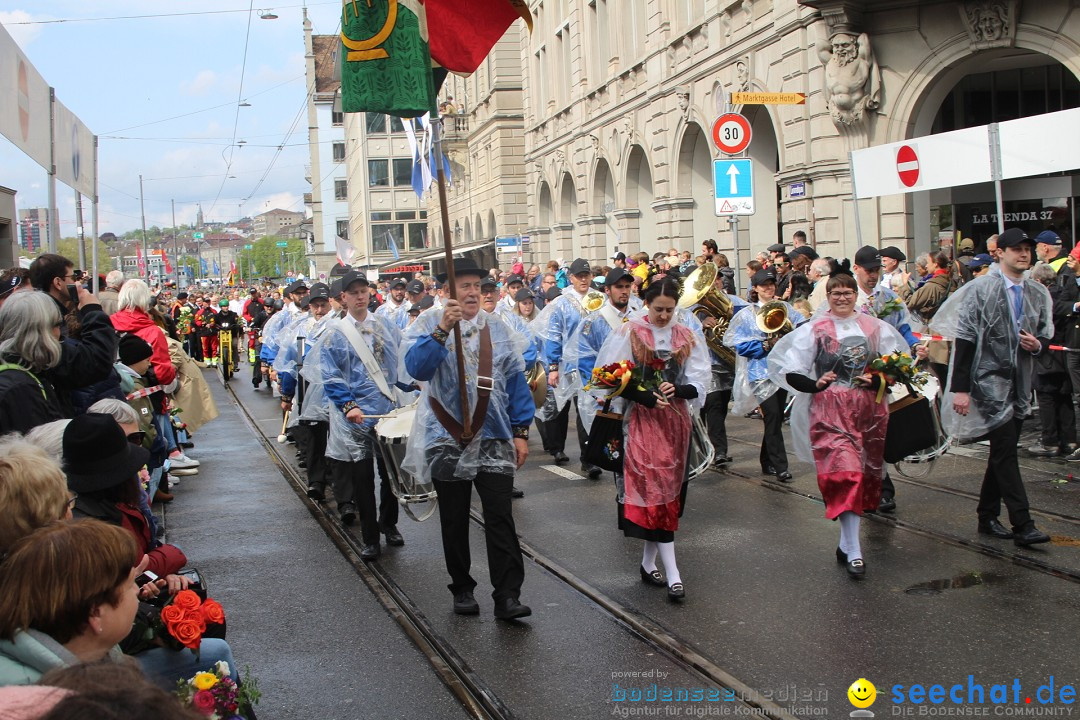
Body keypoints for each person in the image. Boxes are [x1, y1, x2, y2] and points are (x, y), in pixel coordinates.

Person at [402, 259, 533, 620]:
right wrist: (443, 328)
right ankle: (462, 588)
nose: (473, 291)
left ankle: (507, 595)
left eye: (477, 285)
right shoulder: (427, 322)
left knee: (500, 517)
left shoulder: (498, 327)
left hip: (493, 435)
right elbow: (416, 369)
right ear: (446, 291)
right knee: (455, 519)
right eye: (464, 286)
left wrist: (521, 432)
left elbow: (516, 381)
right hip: (446, 436)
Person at [768, 273, 908, 579]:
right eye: (836, 293)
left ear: (855, 295)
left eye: (847, 292)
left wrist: (879, 377)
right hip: (830, 411)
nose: (841, 298)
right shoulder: (815, 330)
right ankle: (855, 551)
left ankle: (846, 542)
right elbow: (792, 370)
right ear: (827, 296)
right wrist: (815, 383)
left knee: (866, 475)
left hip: (870, 411)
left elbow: (898, 364)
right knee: (846, 473)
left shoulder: (875, 327)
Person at [932, 227, 1053, 547]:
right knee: (1004, 448)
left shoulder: (1037, 292)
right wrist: (961, 388)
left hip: (1020, 382)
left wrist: (1036, 345)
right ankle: (1023, 523)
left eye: (1027, 248)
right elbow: (966, 339)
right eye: (1016, 249)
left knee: (1003, 450)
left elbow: (1045, 335)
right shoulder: (980, 290)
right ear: (1000, 252)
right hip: (987, 381)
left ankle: (986, 515)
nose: (1024, 254)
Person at [592, 277, 709, 600]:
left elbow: (700, 377)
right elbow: (606, 375)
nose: (663, 316)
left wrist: (680, 389)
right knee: (654, 491)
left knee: (667, 493)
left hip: (674, 424)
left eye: (670, 310)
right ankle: (673, 573)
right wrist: (643, 395)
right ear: (646, 305)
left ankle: (647, 563)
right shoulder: (630, 331)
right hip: (640, 424)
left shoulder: (685, 334)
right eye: (658, 309)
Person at [303, 272, 404, 556]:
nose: (360, 297)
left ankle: (389, 523)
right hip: (355, 417)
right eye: (354, 293)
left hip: (386, 413)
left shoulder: (385, 326)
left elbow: (401, 364)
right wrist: (349, 405)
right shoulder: (335, 334)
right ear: (343, 298)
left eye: (364, 291)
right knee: (362, 477)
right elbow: (331, 376)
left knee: (390, 475)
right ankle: (370, 537)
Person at [0, 519, 140, 685]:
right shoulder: (39, 701)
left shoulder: (82, 655)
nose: (137, 590)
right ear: (95, 613)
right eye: (130, 585)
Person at [724, 269, 806, 482]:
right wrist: (765, 344)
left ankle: (766, 459)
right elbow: (738, 344)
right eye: (764, 285)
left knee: (775, 418)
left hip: (782, 370)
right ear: (755, 289)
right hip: (760, 373)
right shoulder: (746, 314)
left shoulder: (785, 308)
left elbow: (802, 326)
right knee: (772, 415)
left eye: (771, 284)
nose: (769, 288)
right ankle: (781, 466)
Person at [534, 258, 600, 472]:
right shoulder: (562, 303)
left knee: (587, 409)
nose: (583, 279)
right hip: (566, 364)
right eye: (579, 275)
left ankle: (588, 459)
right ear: (570, 277)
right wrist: (553, 366)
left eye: (586, 275)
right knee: (562, 408)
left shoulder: (599, 300)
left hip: (591, 365)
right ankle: (557, 448)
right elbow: (553, 335)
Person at [1026, 262, 1076, 457]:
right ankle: (1070, 440)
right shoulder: (1064, 296)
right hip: (1065, 355)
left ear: (1038, 281)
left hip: (1046, 355)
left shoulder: (1042, 299)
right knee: (1064, 398)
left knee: (1046, 397)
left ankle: (1050, 441)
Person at [0, 293, 66, 434]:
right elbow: (37, 451)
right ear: (41, 331)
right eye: (57, 325)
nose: (59, 333)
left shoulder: (17, 373)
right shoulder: (21, 388)